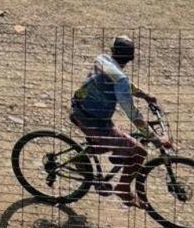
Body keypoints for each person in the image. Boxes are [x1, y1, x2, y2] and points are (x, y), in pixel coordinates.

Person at [70, 35, 174, 207]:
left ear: (112, 50)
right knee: (139, 151)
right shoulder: (121, 80)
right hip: (93, 121)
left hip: (80, 110)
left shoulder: (102, 59)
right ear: (131, 58)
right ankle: (123, 188)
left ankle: (83, 158)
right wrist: (156, 139)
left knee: (118, 141)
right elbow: (133, 114)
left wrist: (145, 95)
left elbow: (123, 84)